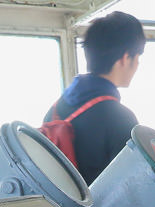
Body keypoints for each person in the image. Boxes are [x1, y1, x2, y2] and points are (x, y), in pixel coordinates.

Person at [42, 11, 145, 184]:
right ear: (126, 58)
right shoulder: (120, 118)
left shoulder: (56, 109)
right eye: (138, 57)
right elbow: (134, 186)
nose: (138, 64)